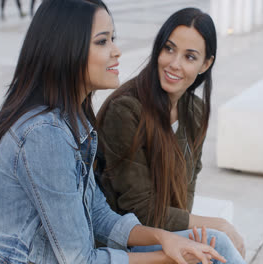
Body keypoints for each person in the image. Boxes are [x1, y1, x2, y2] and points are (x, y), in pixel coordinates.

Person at [0, 0, 228, 263]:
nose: (117, 51)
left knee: (215, 245)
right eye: (102, 41)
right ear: (67, 48)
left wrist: (165, 238)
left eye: (113, 39)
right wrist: (167, 255)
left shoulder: (73, 121)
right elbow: (82, 260)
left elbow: (99, 215)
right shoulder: (44, 135)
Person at [96, 7, 247, 263]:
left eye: (189, 57)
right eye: (169, 49)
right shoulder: (125, 110)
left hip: (166, 235)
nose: (174, 64)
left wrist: (189, 236)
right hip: (126, 242)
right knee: (219, 240)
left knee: (211, 246)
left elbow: (185, 194)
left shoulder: (194, 112)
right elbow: (140, 211)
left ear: (205, 64)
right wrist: (220, 225)